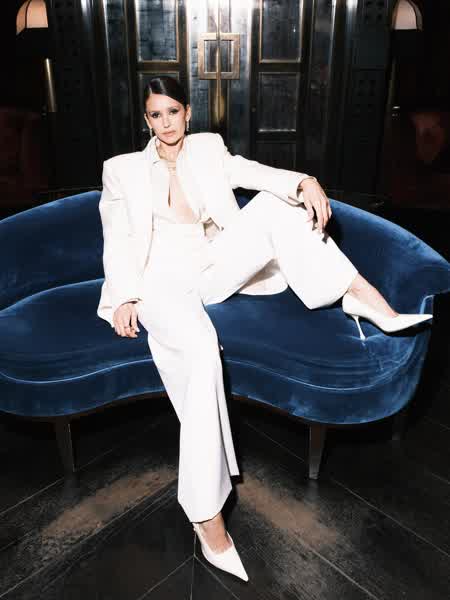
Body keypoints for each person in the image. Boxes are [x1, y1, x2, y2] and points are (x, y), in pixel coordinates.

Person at [97, 76, 432, 581]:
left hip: (209, 263)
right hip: (160, 280)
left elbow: (254, 173)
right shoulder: (121, 169)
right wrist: (125, 294)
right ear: (146, 120)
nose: (165, 123)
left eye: (172, 112)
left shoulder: (208, 147)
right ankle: (206, 515)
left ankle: (360, 296)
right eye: (155, 115)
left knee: (278, 204)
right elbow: (118, 238)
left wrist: (303, 182)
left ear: (187, 112)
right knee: (202, 351)